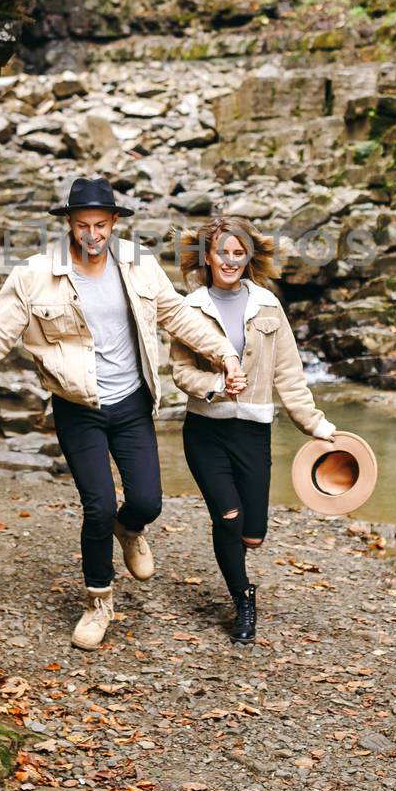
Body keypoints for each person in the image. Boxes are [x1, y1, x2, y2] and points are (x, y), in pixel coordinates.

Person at [0, 176, 245, 649]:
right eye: (82, 226)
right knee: (97, 506)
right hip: (79, 409)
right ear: (68, 225)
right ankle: (99, 602)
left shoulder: (138, 265)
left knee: (147, 502)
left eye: (101, 225)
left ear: (114, 222)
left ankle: (131, 527)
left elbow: (177, 316)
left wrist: (225, 353)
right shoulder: (34, 276)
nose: (92, 235)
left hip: (133, 403)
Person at [170, 216, 337, 645]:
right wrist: (215, 385)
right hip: (205, 431)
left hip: (254, 433)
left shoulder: (268, 305)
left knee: (252, 533)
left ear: (248, 256)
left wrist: (316, 426)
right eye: (222, 251)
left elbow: (290, 375)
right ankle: (243, 597)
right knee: (227, 517)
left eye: (238, 252)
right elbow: (180, 372)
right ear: (207, 255)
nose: (230, 260)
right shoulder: (190, 308)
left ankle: (239, 564)